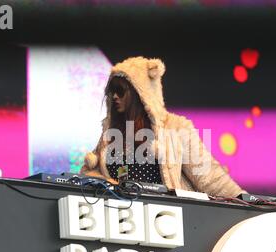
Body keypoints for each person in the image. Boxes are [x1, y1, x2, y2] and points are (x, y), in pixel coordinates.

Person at [80, 56, 246, 198]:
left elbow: (209, 178)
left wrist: (246, 202)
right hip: (123, 221)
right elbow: (86, 176)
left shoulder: (176, 128)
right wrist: (109, 184)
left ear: (140, 94)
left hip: (167, 222)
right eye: (112, 91)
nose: (115, 96)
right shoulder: (110, 135)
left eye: (120, 90)